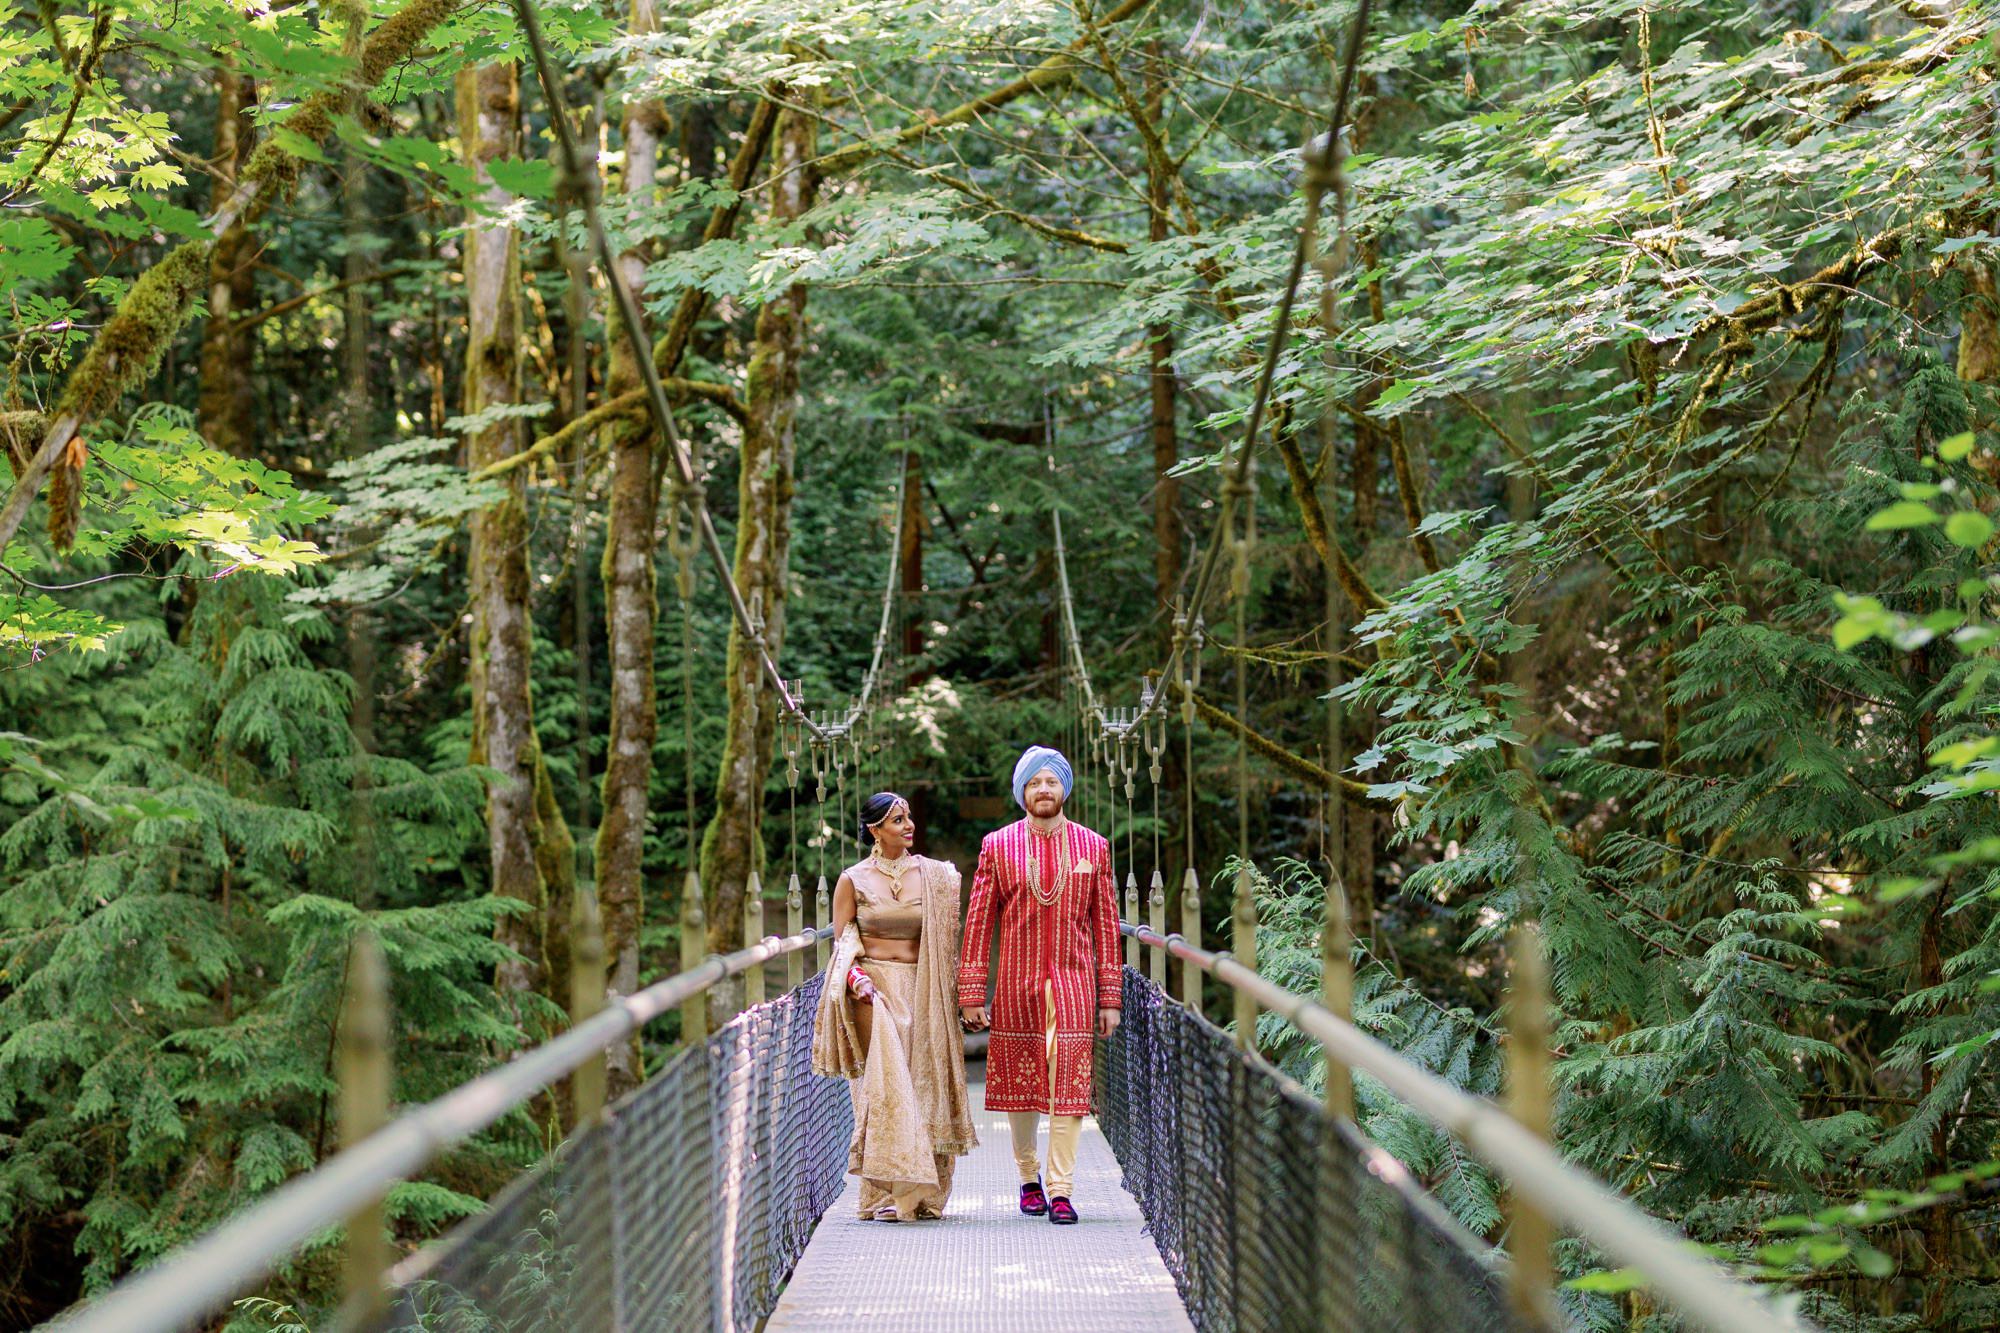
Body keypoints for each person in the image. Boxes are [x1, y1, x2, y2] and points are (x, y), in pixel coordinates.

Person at [958, 745, 1121, 1226]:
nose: (1043, 790)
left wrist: (1110, 998)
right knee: (1022, 1086)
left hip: (1074, 986)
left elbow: (1107, 926)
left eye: (1051, 781)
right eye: (1034, 783)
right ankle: (1029, 1179)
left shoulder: (1094, 847)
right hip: (1016, 982)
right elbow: (978, 922)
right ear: (1022, 792)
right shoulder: (998, 845)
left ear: (1064, 788)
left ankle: (1063, 1189)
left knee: (1070, 1084)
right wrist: (971, 992)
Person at [811, 791, 978, 1220]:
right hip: (873, 993)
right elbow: (843, 941)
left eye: (908, 818)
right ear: (874, 829)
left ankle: (924, 1196)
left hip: (924, 990)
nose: (908, 826)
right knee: (883, 1091)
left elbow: (943, 942)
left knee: (923, 1088)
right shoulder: (853, 879)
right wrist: (857, 979)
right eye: (897, 820)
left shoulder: (935, 876)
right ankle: (887, 1195)